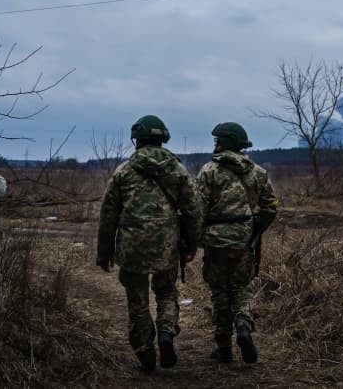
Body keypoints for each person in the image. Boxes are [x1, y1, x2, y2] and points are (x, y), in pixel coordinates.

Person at [96, 115, 200, 373]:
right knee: (166, 292)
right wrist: (190, 246)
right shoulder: (177, 170)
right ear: (163, 139)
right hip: (167, 246)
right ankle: (166, 332)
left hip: (132, 248)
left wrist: (104, 252)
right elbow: (192, 211)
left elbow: (108, 215)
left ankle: (145, 354)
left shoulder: (123, 172)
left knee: (137, 301)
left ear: (137, 140)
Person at [195, 122, 279, 364]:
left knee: (220, 293)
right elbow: (271, 206)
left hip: (215, 242)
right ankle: (243, 328)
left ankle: (223, 348)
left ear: (225, 143)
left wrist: (196, 239)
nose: (215, 144)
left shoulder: (209, 171)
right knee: (241, 290)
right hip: (244, 240)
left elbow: (198, 210)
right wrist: (256, 229)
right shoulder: (258, 172)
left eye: (217, 140)